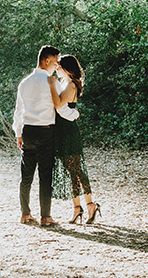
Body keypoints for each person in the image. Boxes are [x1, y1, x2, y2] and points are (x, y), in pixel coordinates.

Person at [12, 45, 79, 226]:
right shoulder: (53, 82)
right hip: (46, 130)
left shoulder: (24, 83)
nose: (57, 66)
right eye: (56, 62)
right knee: (45, 175)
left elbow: (19, 111)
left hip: (28, 130)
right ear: (47, 60)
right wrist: (76, 114)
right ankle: (46, 217)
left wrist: (18, 133)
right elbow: (61, 108)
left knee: (26, 175)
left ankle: (25, 214)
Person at [50, 54, 101, 224]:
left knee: (77, 171)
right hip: (62, 130)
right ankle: (78, 207)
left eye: (59, 66)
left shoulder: (71, 84)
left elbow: (58, 105)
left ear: (67, 68)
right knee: (72, 171)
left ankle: (90, 205)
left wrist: (51, 84)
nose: (56, 68)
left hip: (68, 131)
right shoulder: (66, 83)